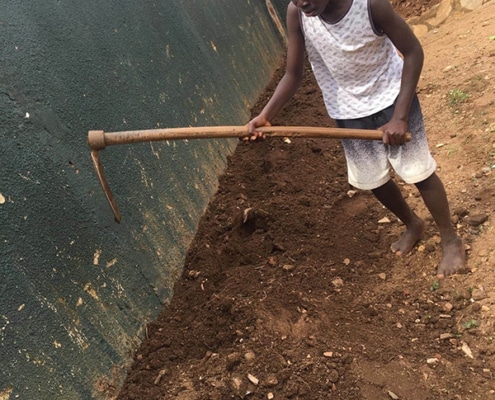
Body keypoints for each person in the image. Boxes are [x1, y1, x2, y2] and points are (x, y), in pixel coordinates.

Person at [247, 0, 465, 277]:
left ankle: (450, 239)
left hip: (392, 100)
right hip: (348, 110)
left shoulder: (371, 5)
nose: (302, 2)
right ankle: (412, 224)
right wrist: (266, 115)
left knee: (418, 171)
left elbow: (413, 52)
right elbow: (293, 73)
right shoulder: (298, 14)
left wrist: (400, 116)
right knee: (373, 178)